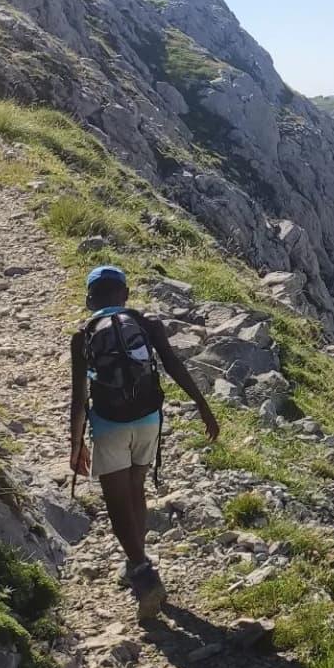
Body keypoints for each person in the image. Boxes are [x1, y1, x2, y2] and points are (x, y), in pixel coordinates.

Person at [69, 264, 220, 621]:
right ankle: (136, 560)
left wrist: (76, 445)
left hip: (109, 424)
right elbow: (173, 365)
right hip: (148, 419)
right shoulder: (146, 322)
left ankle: (142, 572)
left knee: (116, 500)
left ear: (90, 300)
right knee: (136, 487)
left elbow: (79, 397)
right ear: (125, 294)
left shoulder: (83, 335)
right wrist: (203, 406)